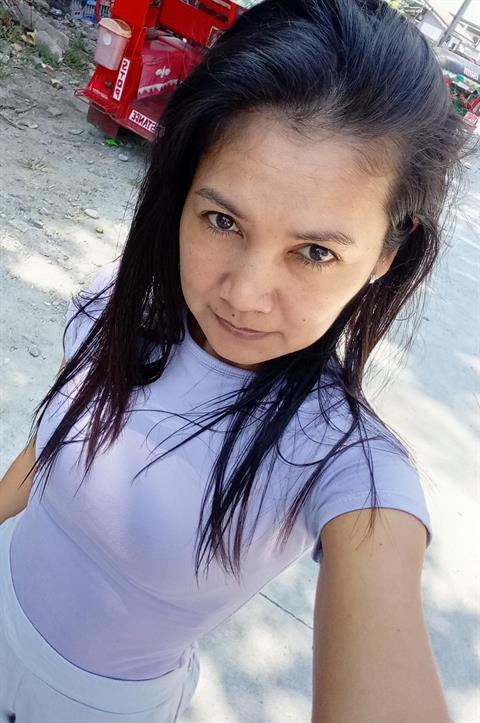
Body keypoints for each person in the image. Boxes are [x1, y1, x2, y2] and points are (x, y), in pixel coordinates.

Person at [0, 0, 472, 721]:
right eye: (223, 220)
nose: (245, 295)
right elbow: (48, 448)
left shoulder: (344, 464)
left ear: (386, 253)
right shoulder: (119, 300)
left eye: (314, 252)